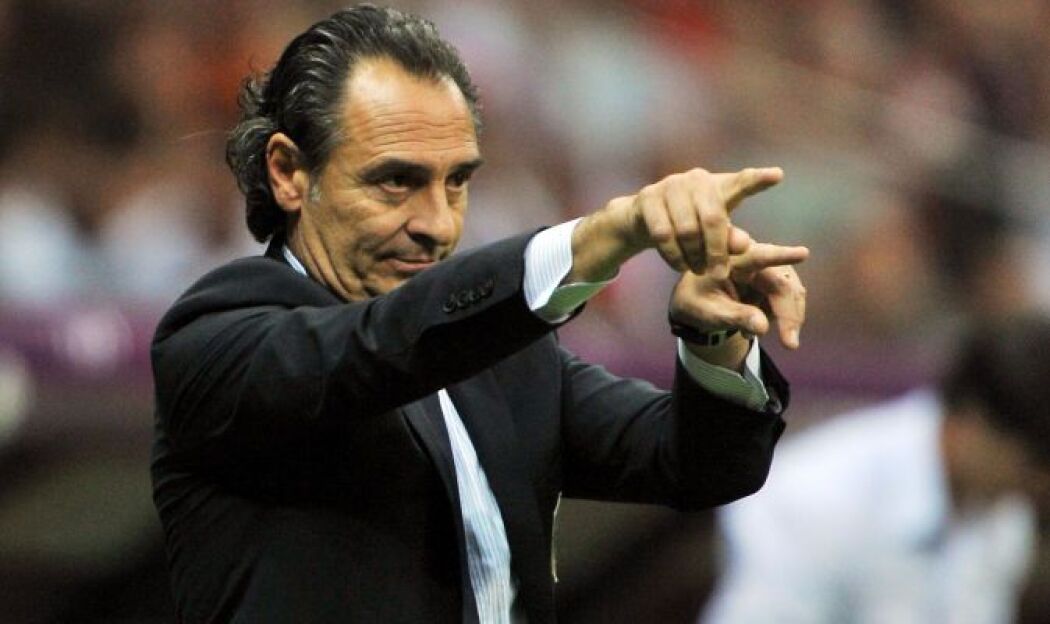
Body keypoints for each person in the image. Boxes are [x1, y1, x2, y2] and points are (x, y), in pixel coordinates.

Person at [150, 6, 808, 623]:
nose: (437, 225)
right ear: (289, 172)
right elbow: (377, 348)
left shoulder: (501, 358)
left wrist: (716, 334)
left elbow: (701, 465)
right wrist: (605, 235)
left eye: (457, 181)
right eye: (396, 181)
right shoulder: (216, 338)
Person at [702, 315, 1050, 624]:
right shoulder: (811, 499)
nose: (1041, 484)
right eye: (1033, 464)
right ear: (973, 425)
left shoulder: (1004, 511)